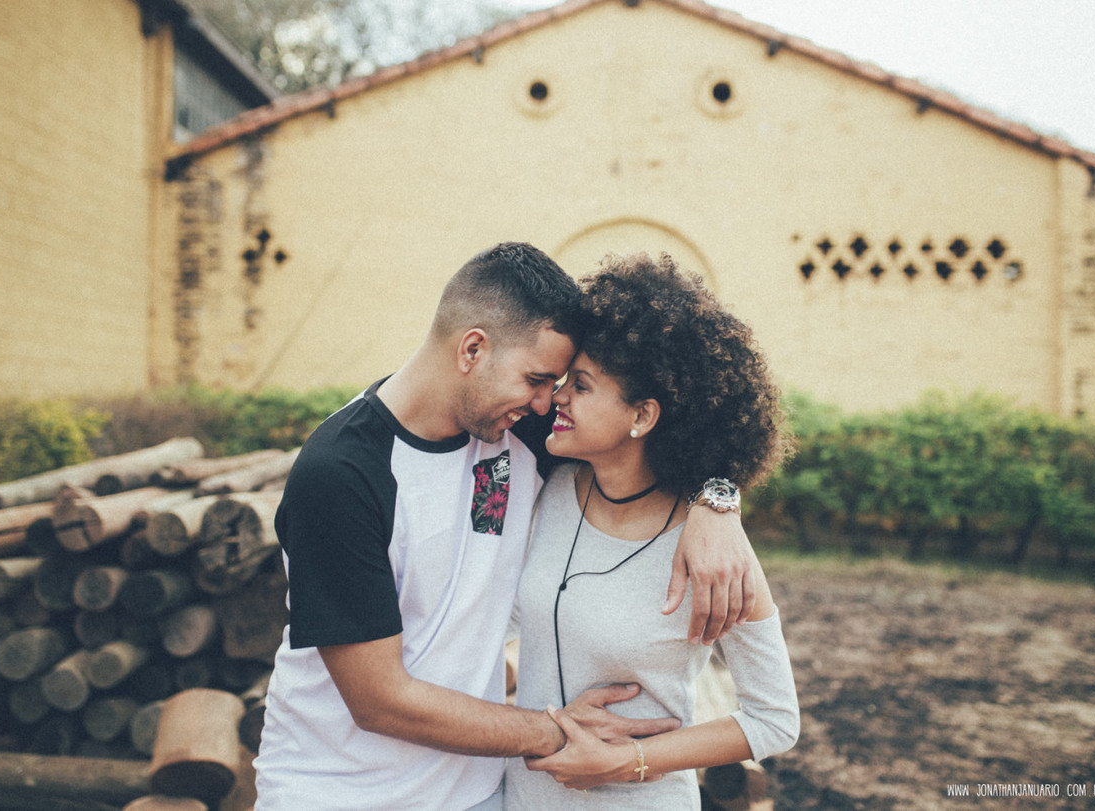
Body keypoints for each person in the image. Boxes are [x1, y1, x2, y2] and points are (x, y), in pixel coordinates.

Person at [252, 242, 763, 810]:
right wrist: (558, 733)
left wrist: (717, 500)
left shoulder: (517, 429)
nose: (548, 403)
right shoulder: (340, 475)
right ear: (473, 349)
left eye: (559, 383)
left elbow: (664, 425)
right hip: (337, 792)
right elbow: (379, 701)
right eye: (536, 379)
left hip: (475, 795)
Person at [504, 252, 800, 809]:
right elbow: (507, 624)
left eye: (581, 386)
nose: (557, 397)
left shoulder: (711, 549)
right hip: (519, 799)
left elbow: (775, 719)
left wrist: (629, 761)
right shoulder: (549, 488)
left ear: (642, 416)